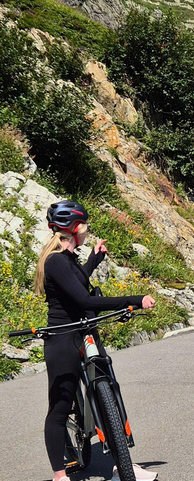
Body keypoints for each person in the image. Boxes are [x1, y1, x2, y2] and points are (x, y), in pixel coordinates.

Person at [33, 201, 158, 481]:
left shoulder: (68, 258)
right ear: (74, 229)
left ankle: (121, 464)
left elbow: (77, 285)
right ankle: (59, 476)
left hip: (85, 332)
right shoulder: (55, 260)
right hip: (63, 338)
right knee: (60, 407)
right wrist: (134, 300)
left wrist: (94, 259)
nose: (87, 231)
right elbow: (85, 300)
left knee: (108, 397)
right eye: (85, 226)